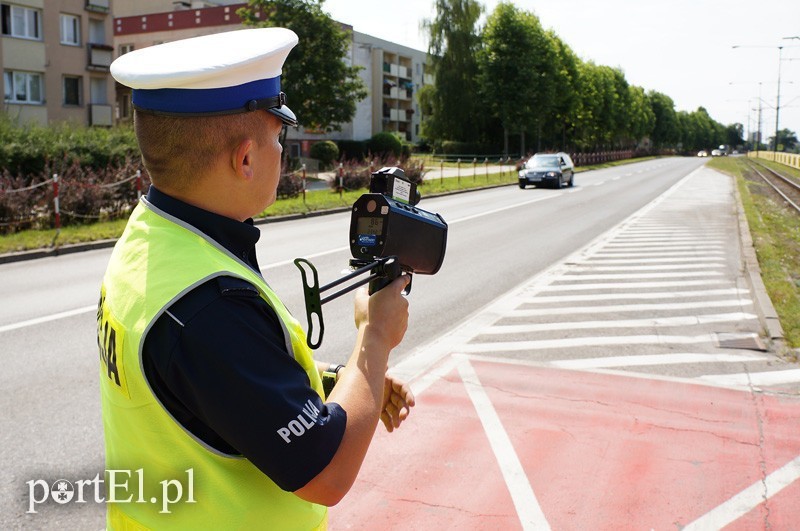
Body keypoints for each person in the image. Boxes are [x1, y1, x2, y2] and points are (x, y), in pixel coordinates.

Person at [97, 27, 414, 530]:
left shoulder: (151, 240)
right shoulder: (208, 305)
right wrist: (374, 338)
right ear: (245, 158)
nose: (282, 152)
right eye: (278, 138)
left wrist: (339, 379)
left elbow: (215, 383)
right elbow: (326, 473)